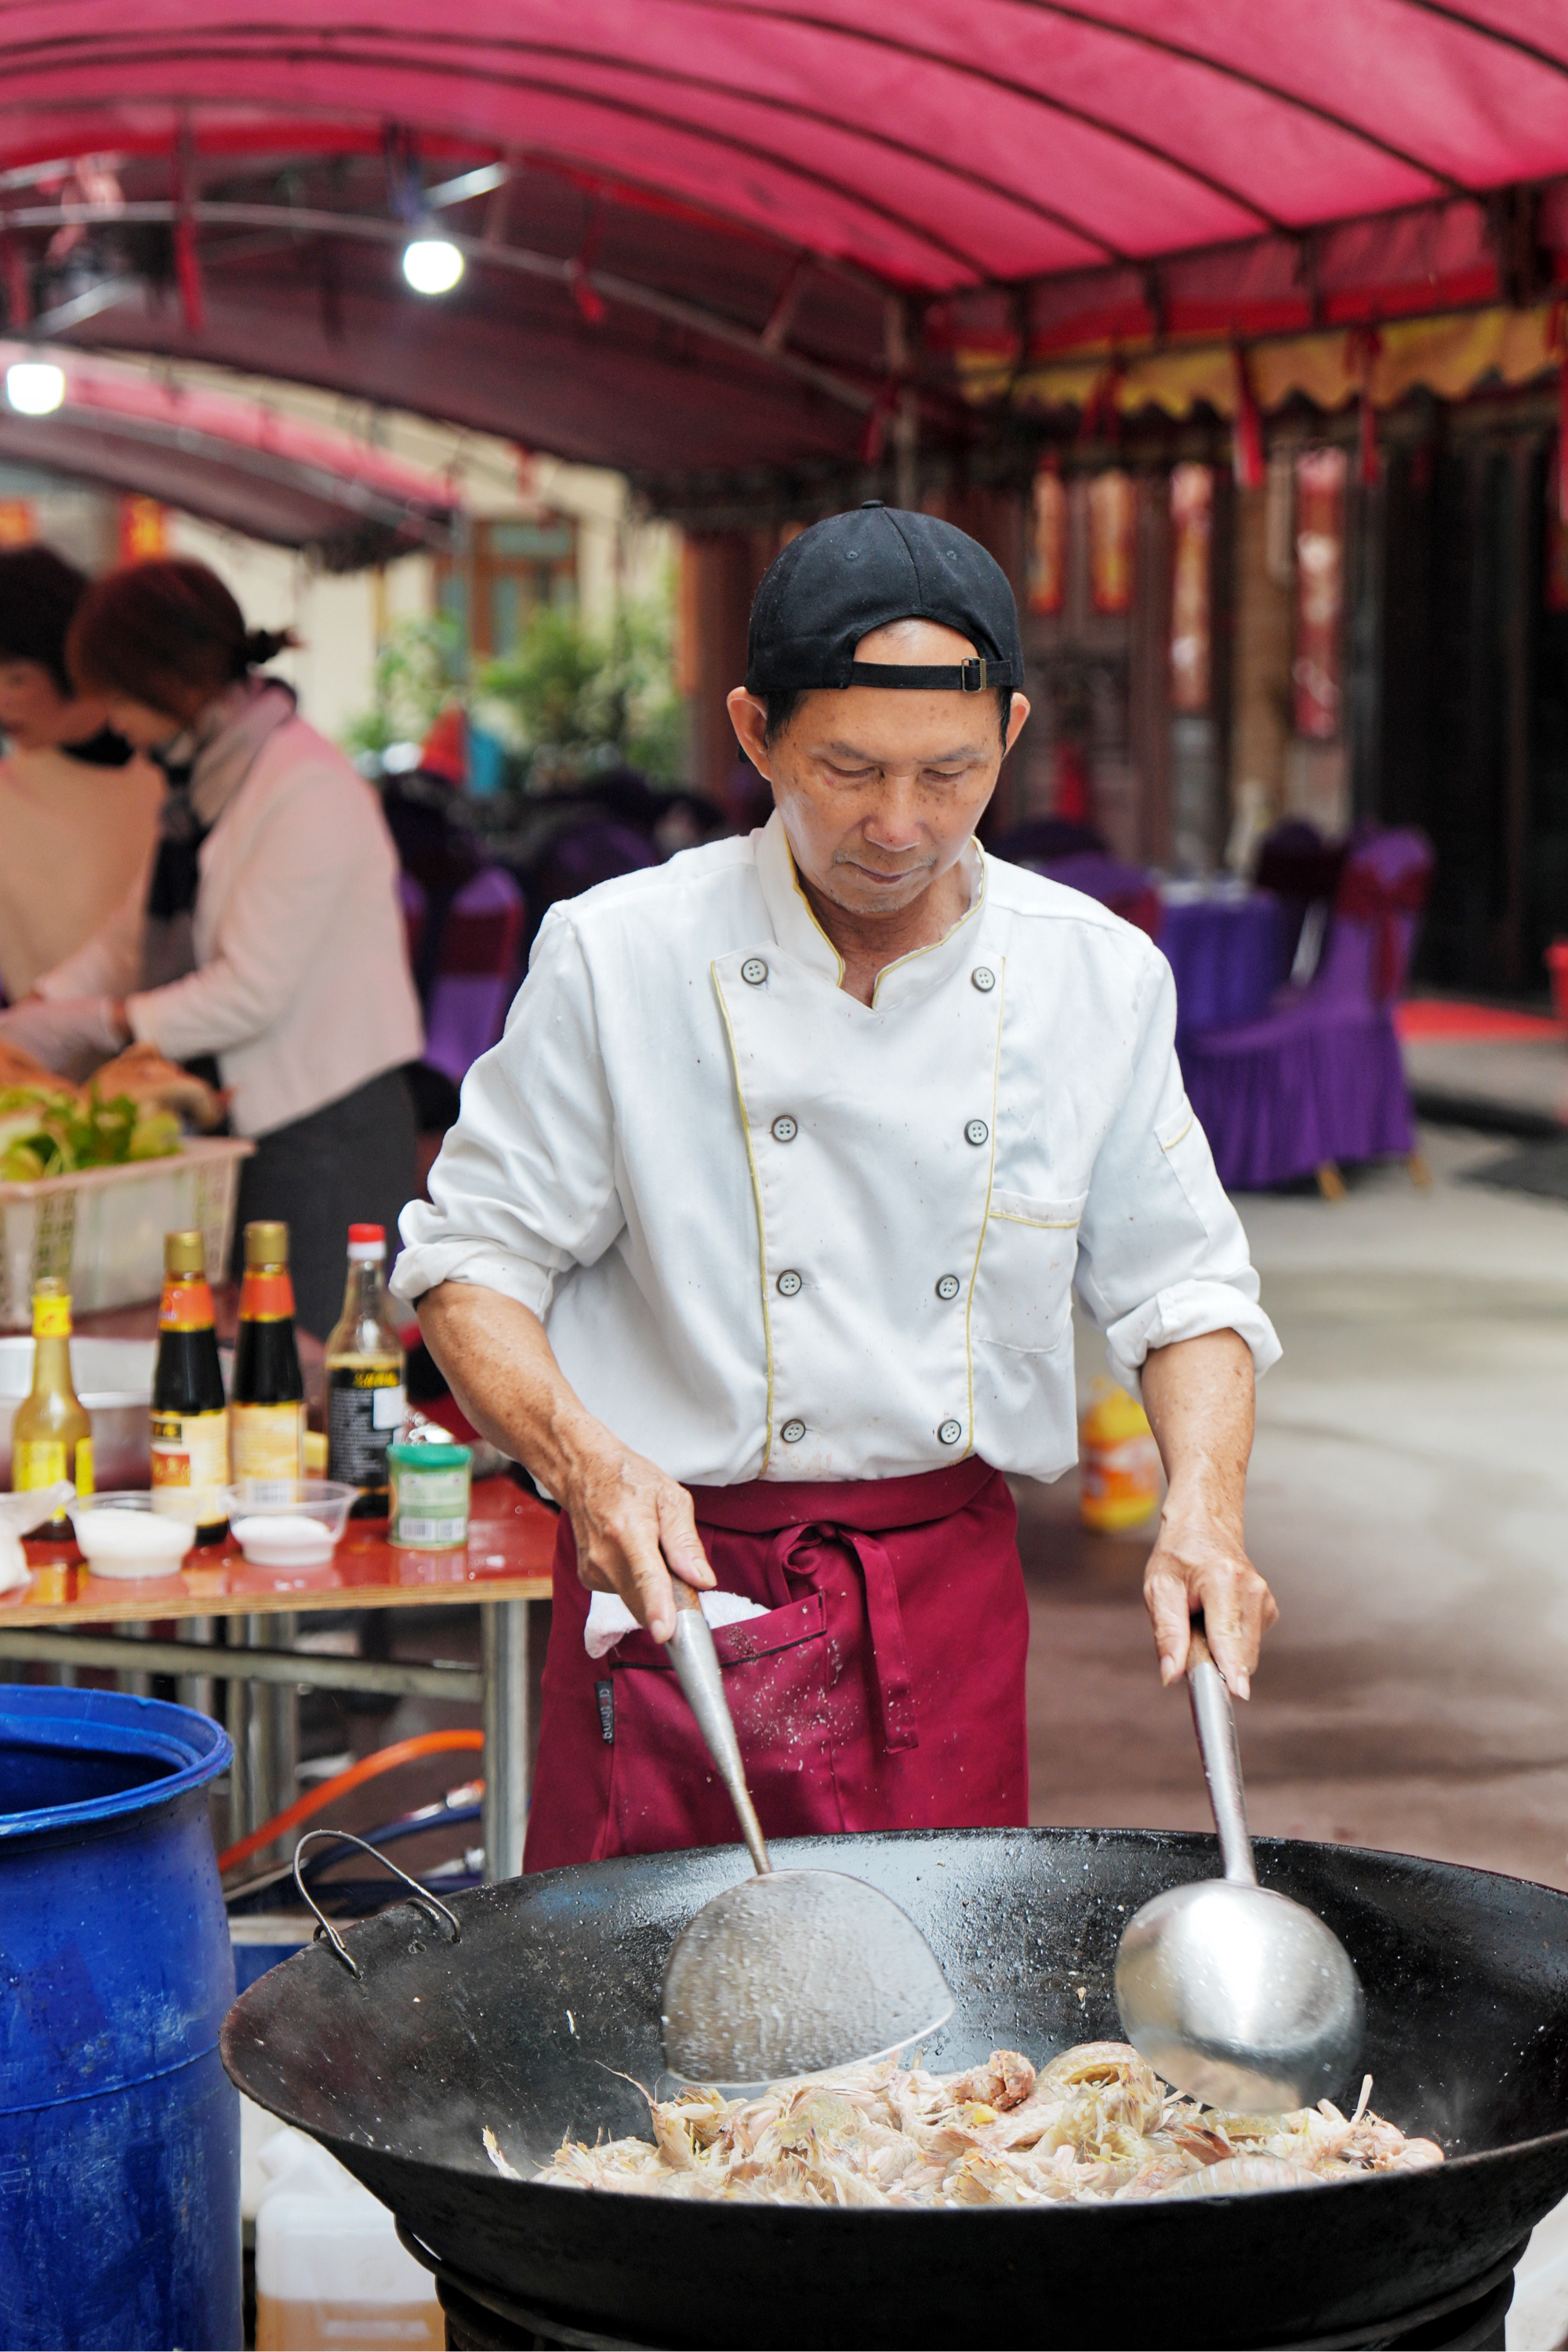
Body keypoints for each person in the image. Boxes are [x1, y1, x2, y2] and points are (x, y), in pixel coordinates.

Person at [394, 503, 1281, 1871]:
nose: (898, 824)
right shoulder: (619, 955)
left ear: (1013, 737)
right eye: (848, 768)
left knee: (939, 2042)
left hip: (948, 1596)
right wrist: (583, 1464)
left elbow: (1187, 1291)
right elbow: (469, 1265)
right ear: (754, 735)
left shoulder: (1090, 975)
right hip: (680, 1583)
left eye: (952, 773)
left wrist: (1203, 1508)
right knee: (640, 2032)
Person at [0, 559, 423, 1336]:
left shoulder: (304, 787)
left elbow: (249, 991)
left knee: (322, 1368)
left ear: (172, 683)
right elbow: (133, 933)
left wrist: (94, 1023)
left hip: (325, 1130)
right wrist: (38, 1009)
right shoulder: (201, 787)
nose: (115, 722)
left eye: (120, 698)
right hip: (244, 1123)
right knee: (255, 1365)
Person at [0, 546, 162, 1001]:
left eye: (16, 677)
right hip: (42, 1062)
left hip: (183, 1047)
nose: (2, 701)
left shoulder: (171, 774)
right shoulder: (10, 795)